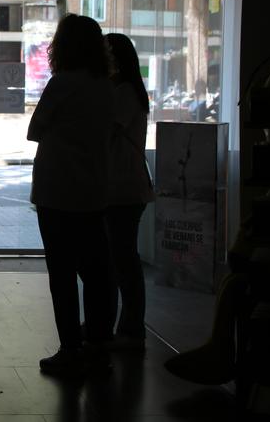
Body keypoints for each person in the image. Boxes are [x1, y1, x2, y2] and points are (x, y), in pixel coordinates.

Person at [27, 14, 115, 378]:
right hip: (93, 189)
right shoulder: (106, 86)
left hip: (56, 188)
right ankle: (98, 343)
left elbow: (35, 130)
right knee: (96, 272)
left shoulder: (61, 83)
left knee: (61, 273)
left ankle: (70, 349)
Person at [103, 33, 155, 351]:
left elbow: (107, 132)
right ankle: (128, 322)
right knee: (122, 257)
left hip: (123, 187)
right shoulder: (127, 90)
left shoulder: (123, 93)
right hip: (124, 186)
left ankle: (132, 323)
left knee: (122, 258)